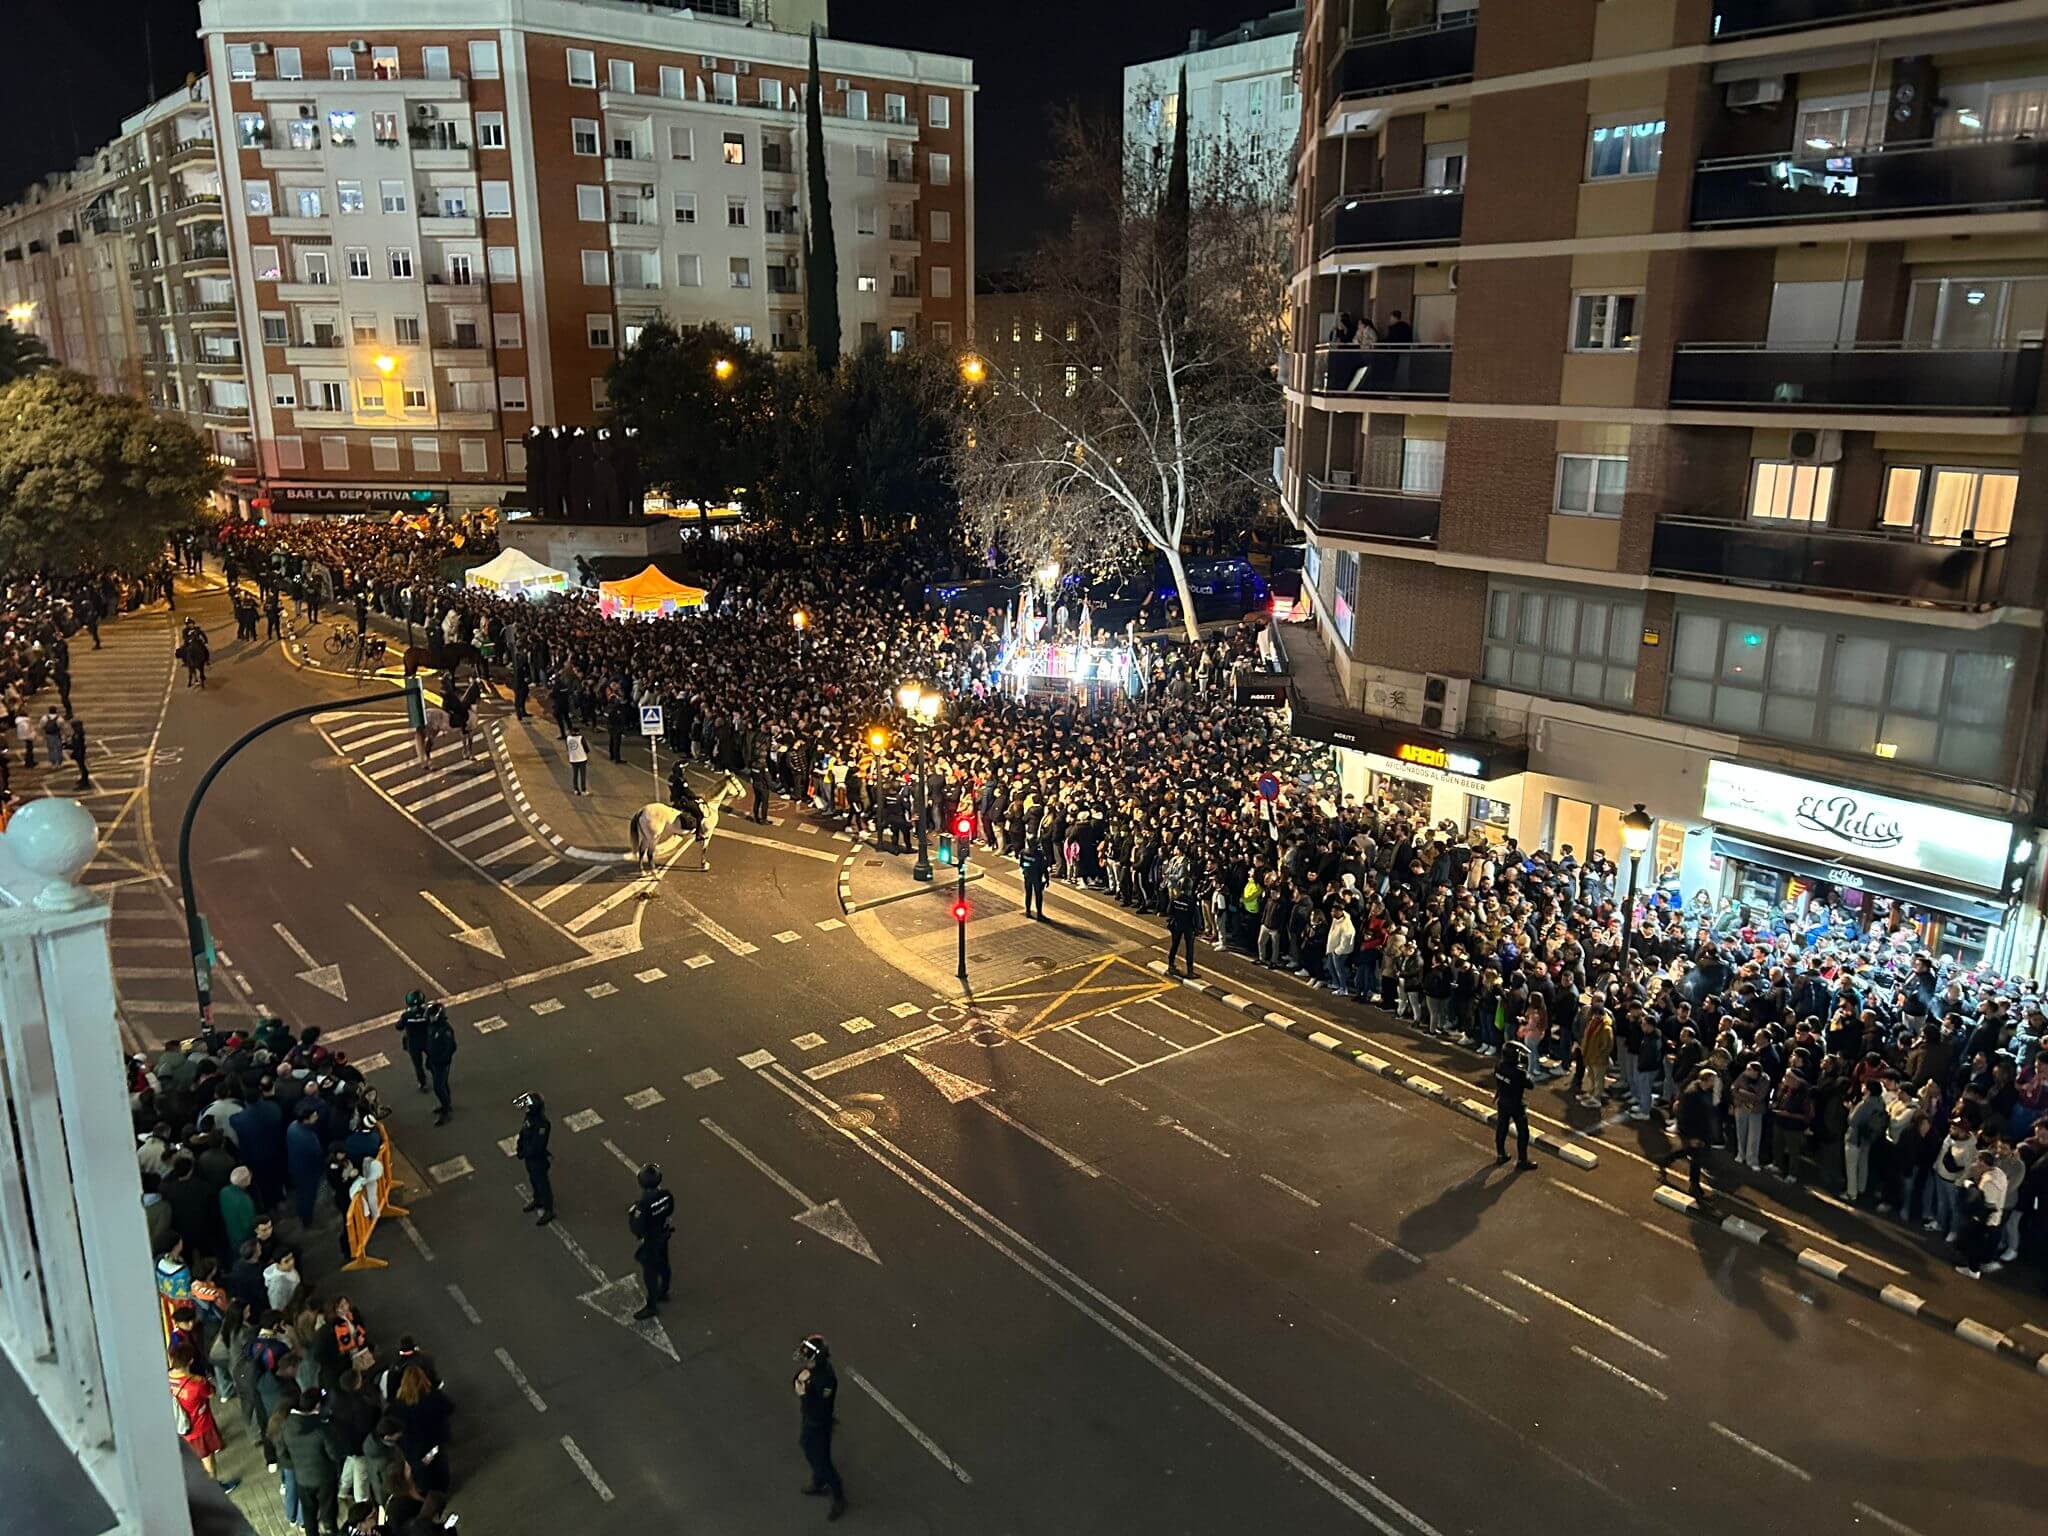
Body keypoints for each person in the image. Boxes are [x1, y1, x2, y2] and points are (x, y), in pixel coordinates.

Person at [170, 1342, 240, 1494]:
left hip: (180, 1430)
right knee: (207, 1460)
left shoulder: (166, 1378)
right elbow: (211, 1393)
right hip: (200, 1429)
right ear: (190, 1361)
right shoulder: (196, 1384)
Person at [793, 1334, 846, 1520]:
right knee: (806, 1446)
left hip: (819, 1424)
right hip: (810, 1420)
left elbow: (819, 1407)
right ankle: (818, 1480)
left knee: (822, 1461)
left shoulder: (825, 1381)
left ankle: (838, 1496)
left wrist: (803, 1394)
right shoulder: (813, 1374)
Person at [628, 1163, 675, 1320]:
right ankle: (664, 1290)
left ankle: (652, 1305)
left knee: (650, 1273)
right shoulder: (666, 1196)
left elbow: (637, 1227)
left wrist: (633, 1214)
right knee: (663, 1262)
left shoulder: (642, 1205)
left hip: (650, 1240)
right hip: (663, 1235)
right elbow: (670, 1210)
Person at [1493, 1022, 1536, 1169]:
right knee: (1523, 1132)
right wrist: (1524, 1067)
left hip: (1502, 1101)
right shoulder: (1518, 1072)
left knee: (1502, 1128)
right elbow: (1530, 1085)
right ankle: (1522, 1160)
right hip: (1516, 1105)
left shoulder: (1499, 1066)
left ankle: (1500, 1154)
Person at [1671, 1070, 1719, 1201]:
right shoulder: (1691, 1094)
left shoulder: (1706, 1092)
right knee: (1696, 1158)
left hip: (1703, 1131)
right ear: (1706, 1080)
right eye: (1713, 1079)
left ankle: (1666, 1159)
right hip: (1694, 1132)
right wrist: (1691, 1137)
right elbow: (1685, 1117)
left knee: (1691, 1153)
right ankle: (1694, 1186)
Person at [516, 1093, 555, 1225]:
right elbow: (523, 1133)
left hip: (536, 1159)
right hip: (529, 1156)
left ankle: (549, 1209)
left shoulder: (542, 1124)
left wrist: (525, 1152)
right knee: (533, 1179)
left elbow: (537, 1146)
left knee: (542, 1182)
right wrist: (519, 1147)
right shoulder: (529, 1118)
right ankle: (538, 1199)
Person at [423, 1005, 457, 1126]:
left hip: (441, 1064)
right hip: (434, 1061)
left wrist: (441, 1060)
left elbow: (451, 1048)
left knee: (439, 1087)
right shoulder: (432, 1026)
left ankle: (446, 1110)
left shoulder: (445, 1030)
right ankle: (446, 1104)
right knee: (443, 1085)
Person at [396, 992, 432, 1094]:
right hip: (426, 1040)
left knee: (418, 1065)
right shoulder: (426, 1013)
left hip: (413, 1043)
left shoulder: (406, 1015)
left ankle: (422, 1083)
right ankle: (432, 1067)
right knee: (431, 1055)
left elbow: (398, 1026)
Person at [1165, 880, 1199, 977]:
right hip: (1188, 926)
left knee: (1174, 945)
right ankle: (1190, 971)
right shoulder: (1192, 901)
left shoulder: (1175, 898)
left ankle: (1171, 965)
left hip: (1176, 924)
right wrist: (1197, 928)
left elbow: (1169, 911)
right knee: (1189, 948)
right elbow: (1196, 917)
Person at [1020, 834, 1049, 921]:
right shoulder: (1040, 854)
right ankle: (1039, 914)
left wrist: (1027, 869)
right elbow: (1044, 867)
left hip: (1027, 876)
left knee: (1028, 894)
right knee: (1038, 895)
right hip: (1037, 877)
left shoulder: (1023, 852)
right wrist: (1047, 878)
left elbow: (1022, 864)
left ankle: (1028, 911)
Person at [566, 728, 589, 795]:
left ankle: (576, 789)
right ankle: (583, 790)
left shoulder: (568, 738)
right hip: (582, 759)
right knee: (582, 775)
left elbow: (568, 748)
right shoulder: (581, 738)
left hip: (573, 759)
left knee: (575, 775)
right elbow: (586, 748)